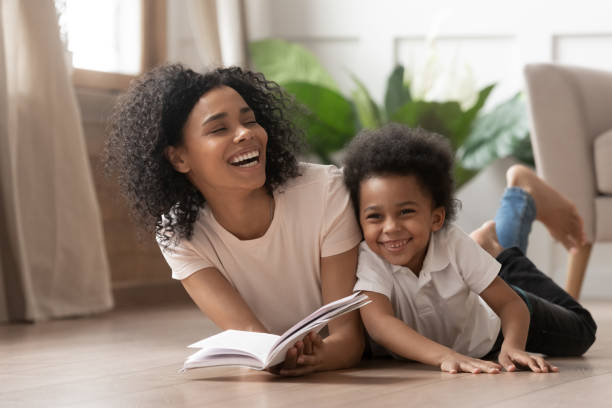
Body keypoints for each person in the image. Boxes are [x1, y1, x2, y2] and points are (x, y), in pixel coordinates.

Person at [105, 64, 364, 376]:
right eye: (218, 129)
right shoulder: (177, 233)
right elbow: (250, 336)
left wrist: (318, 356)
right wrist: (280, 358)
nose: (246, 134)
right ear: (178, 158)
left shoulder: (324, 191)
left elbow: (348, 337)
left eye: (250, 120)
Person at [342, 124, 597, 374]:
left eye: (406, 212)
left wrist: (512, 345)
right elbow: (380, 324)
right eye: (375, 216)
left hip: (491, 332)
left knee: (582, 330)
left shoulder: (451, 242)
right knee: (477, 265)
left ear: (436, 218)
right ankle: (488, 247)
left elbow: (510, 304)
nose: (391, 227)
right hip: (459, 335)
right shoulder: (369, 257)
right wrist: (447, 356)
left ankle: (511, 223)